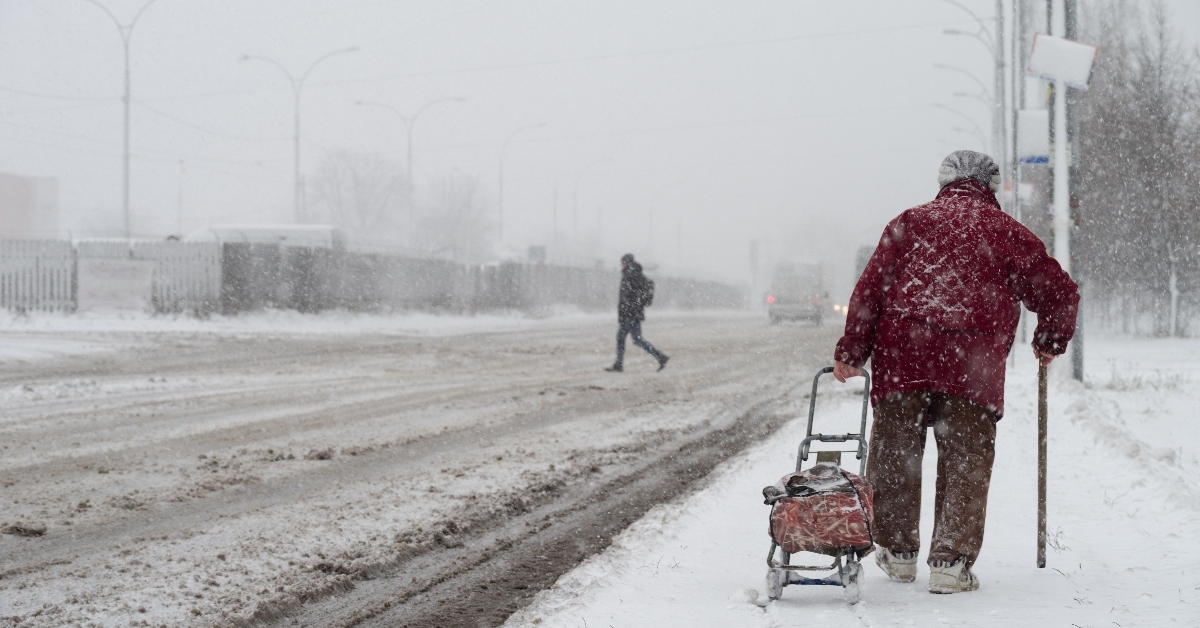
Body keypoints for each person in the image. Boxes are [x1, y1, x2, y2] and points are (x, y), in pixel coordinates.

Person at [832, 150, 1078, 594]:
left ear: (944, 181)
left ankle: (898, 552)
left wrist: (853, 350)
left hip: (903, 356)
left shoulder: (909, 223)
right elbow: (1059, 292)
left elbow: (869, 290)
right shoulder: (1006, 232)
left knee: (895, 453)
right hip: (973, 366)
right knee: (966, 459)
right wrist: (1049, 341)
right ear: (991, 185)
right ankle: (951, 562)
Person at [606, 253, 669, 372]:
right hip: (627, 314)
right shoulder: (631, 275)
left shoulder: (632, 275)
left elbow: (631, 297)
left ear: (627, 263)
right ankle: (618, 365)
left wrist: (632, 308)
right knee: (620, 338)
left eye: (623, 263)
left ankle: (661, 357)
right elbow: (626, 297)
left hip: (631, 314)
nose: (621, 265)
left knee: (637, 339)